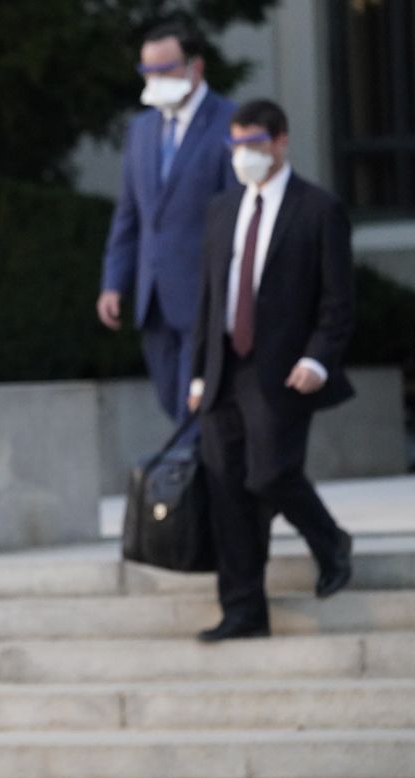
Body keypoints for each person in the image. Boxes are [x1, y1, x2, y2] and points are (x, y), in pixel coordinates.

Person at [188, 99, 355, 643]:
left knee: (270, 474)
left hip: (283, 373)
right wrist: (196, 375)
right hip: (223, 372)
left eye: (254, 145)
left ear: (281, 142)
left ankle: (330, 542)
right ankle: (243, 610)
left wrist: (318, 359)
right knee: (227, 490)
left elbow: (338, 300)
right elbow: (209, 299)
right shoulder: (221, 209)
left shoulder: (318, 209)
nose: (244, 156)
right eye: (235, 146)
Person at [98, 20, 236, 427]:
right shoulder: (142, 129)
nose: (155, 80)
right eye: (147, 71)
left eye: (165, 69)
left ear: (196, 67)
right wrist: (113, 282)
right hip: (152, 294)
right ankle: (193, 479)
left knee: (194, 405)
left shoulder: (229, 121)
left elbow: (235, 212)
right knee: (171, 399)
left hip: (204, 292)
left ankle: (191, 485)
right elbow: (131, 213)